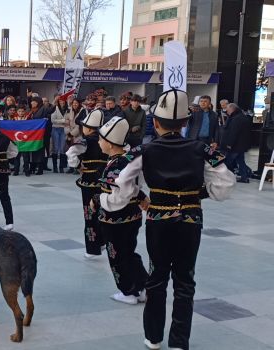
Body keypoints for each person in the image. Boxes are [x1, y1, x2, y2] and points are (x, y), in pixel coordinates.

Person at [106, 89, 235, 350]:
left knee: (157, 278)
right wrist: (197, 193)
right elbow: (225, 184)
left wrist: (139, 196)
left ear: (155, 122)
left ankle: (153, 338)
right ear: (186, 122)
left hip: (158, 221)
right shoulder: (200, 149)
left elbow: (119, 181)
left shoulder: (146, 149)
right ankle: (179, 342)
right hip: (190, 220)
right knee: (185, 280)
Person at [92, 117, 148, 305]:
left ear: (108, 143)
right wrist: (140, 196)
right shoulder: (128, 159)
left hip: (115, 219)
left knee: (116, 255)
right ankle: (142, 286)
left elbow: (117, 198)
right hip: (132, 216)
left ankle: (127, 291)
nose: (99, 143)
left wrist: (97, 199)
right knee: (129, 252)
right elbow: (132, 188)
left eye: (100, 140)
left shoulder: (115, 166)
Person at [66, 109, 108, 259]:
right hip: (104, 180)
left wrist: (77, 165)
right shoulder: (107, 140)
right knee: (103, 210)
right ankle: (102, 242)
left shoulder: (87, 140)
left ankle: (92, 249)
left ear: (89, 128)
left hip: (89, 181)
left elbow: (71, 152)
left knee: (89, 214)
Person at [221, 103, 252, 183]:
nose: (226, 111)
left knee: (228, 161)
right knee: (240, 161)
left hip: (235, 145)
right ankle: (244, 177)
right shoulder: (242, 117)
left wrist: (229, 144)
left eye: (227, 109)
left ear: (232, 109)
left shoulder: (236, 119)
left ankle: (226, 177)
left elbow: (233, 132)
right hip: (241, 144)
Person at [64, 98, 85, 174]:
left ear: (79, 103)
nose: (74, 104)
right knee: (70, 151)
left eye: (76, 103)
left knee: (77, 151)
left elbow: (79, 125)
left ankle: (78, 167)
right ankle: (71, 167)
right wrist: (68, 132)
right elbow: (66, 122)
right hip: (70, 133)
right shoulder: (70, 110)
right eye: (73, 103)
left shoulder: (82, 111)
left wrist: (72, 134)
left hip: (78, 134)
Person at [11, 105, 33, 176]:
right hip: (16, 141)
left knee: (26, 157)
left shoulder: (27, 119)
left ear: (24, 112)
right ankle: (16, 171)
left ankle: (27, 171)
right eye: (19, 111)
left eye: (22, 111)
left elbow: (31, 127)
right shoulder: (14, 119)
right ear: (17, 112)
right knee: (16, 157)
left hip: (25, 141)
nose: (21, 113)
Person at [50, 95, 69, 173]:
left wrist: (64, 121)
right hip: (56, 129)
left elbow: (69, 119)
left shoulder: (68, 109)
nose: (62, 102)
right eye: (60, 101)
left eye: (63, 101)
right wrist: (63, 121)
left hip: (64, 130)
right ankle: (55, 167)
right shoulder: (55, 108)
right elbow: (53, 120)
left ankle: (61, 167)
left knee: (62, 149)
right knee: (55, 148)